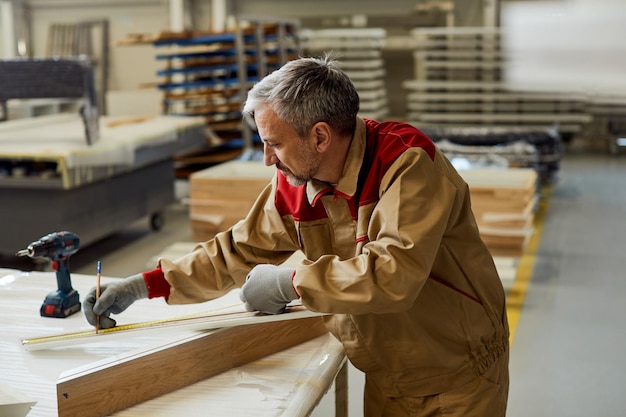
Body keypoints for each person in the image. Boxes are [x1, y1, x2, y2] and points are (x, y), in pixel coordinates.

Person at [84, 55, 509, 417]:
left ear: (319, 136)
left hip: (458, 370)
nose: (268, 158)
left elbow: (392, 275)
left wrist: (289, 282)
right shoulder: (295, 181)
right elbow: (235, 251)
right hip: (389, 369)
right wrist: (145, 285)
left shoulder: (407, 165)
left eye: (275, 144)